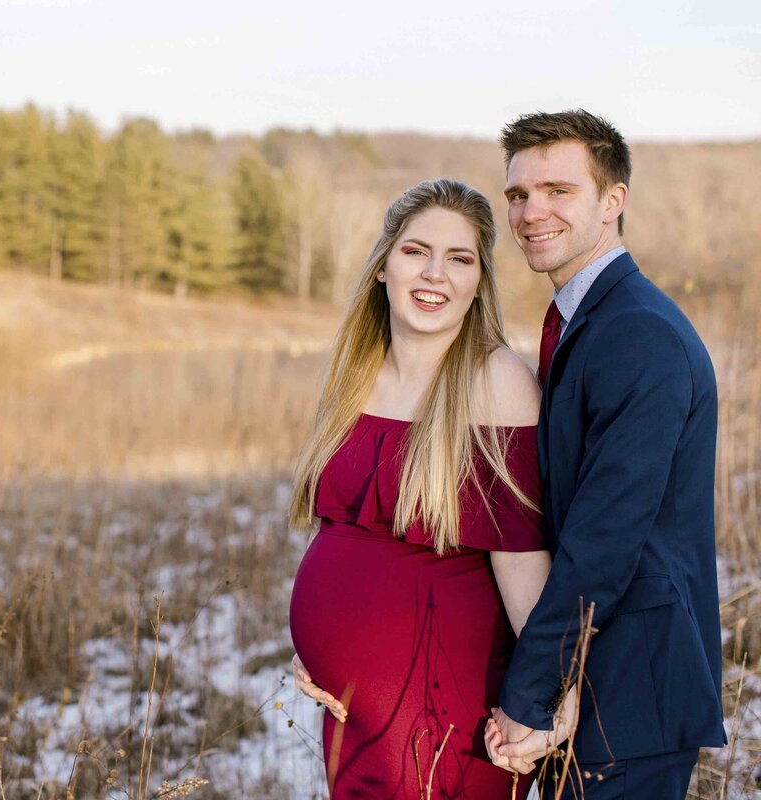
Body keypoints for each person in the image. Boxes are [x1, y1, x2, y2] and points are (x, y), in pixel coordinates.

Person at [484, 110, 725, 798]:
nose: (532, 212)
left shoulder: (636, 333)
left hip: (632, 695)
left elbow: (605, 537)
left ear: (612, 201)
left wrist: (531, 693)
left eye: (558, 191)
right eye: (519, 195)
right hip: (594, 687)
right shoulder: (587, 320)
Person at [287, 178, 551, 798]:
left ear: (478, 283)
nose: (434, 274)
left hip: (445, 717)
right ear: (383, 265)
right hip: (350, 715)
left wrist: (545, 704)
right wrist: (321, 646)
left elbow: (523, 566)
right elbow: (344, 533)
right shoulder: (356, 373)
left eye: (459, 259)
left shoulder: (496, 382)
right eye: (415, 252)